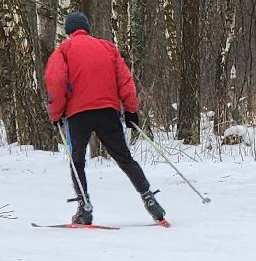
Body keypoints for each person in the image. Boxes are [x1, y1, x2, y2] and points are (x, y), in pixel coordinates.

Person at [44, 12, 166, 226]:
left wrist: (56, 114)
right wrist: (130, 109)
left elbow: (56, 82)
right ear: (87, 28)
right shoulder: (108, 48)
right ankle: (149, 198)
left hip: (78, 114)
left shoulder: (62, 51)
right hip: (107, 111)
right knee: (124, 158)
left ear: (68, 31)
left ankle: (84, 207)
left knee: (77, 161)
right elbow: (125, 80)